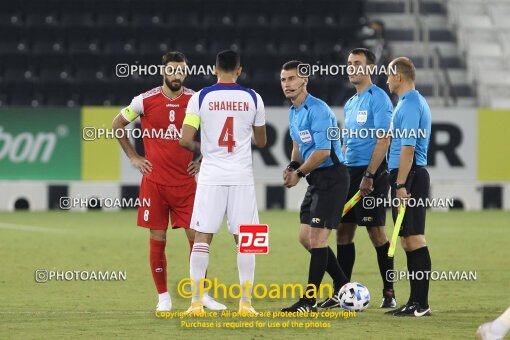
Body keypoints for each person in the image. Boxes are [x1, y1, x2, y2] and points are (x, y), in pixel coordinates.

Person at [112, 51, 225, 312]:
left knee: (197, 239)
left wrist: (203, 159)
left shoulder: (196, 100)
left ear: (186, 72)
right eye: (172, 70)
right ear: (163, 71)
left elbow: (215, 133)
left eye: (181, 71)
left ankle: (202, 295)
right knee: (157, 237)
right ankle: (163, 297)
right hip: (155, 184)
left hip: (186, 184)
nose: (177, 75)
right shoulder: (144, 100)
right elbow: (117, 125)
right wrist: (134, 157)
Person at [179, 50, 266, 316]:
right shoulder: (253, 97)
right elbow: (261, 142)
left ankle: (195, 303)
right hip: (241, 177)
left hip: (210, 177)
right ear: (239, 70)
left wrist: (207, 146)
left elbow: (184, 139)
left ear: (214, 70)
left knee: (203, 237)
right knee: (247, 240)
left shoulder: (200, 97)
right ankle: (246, 304)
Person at [321, 48, 395, 309]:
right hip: (349, 172)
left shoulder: (380, 99)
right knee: (343, 233)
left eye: (358, 64)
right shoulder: (352, 101)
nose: (352, 67)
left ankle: (389, 291)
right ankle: (341, 291)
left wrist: (370, 175)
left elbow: (383, 139)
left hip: (371, 173)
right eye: (350, 63)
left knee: (376, 232)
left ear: (370, 68)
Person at [279, 60, 350, 312]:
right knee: (305, 238)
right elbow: (299, 145)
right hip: (316, 179)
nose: (286, 84)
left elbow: (322, 151)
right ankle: (345, 287)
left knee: (318, 239)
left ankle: (308, 302)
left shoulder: (319, 110)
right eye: (283, 80)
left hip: (332, 177)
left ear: (304, 80)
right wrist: (291, 165)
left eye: (291, 79)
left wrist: (298, 172)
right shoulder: (294, 111)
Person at [384, 57, 432, 317]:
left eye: (389, 75)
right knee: (406, 240)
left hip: (410, 177)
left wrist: (401, 183)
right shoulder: (406, 103)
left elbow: (409, 148)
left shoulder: (411, 104)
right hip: (406, 175)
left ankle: (420, 304)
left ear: (398, 77)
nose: (387, 80)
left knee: (414, 238)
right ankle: (415, 302)